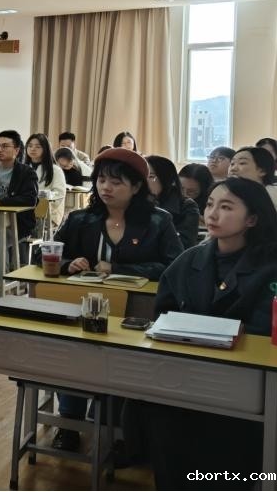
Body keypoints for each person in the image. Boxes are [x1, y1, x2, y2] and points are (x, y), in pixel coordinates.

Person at [137, 178, 277, 488]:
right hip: (185, 376)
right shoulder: (190, 259)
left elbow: (264, 331)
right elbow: (163, 313)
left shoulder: (271, 265)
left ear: (252, 219)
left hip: (244, 381)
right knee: (158, 415)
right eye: (210, 204)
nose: (212, 214)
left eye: (226, 207)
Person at [48, 147, 185, 452]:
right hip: (82, 307)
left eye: (116, 182)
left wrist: (119, 268)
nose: (106, 188)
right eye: (101, 181)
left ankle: (114, 425)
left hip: (136, 313)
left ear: (136, 187)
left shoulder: (158, 221)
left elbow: (174, 267)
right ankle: (69, 421)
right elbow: (47, 254)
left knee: (121, 361)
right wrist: (69, 263)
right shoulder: (81, 218)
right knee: (73, 353)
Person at [0, 130, 39, 280]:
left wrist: (1, 202)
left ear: (16, 150)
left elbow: (30, 199)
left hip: (17, 224)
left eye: (5, 146)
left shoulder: (27, 173)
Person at [147, 155, 201, 250]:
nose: (144, 180)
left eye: (151, 176)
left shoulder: (187, 206)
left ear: (166, 178)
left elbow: (184, 245)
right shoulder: (132, 201)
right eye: (141, 175)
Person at [25, 133, 67, 231]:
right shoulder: (22, 168)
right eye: (30, 146)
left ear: (45, 149)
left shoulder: (55, 170)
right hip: (25, 212)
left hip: (48, 215)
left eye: (38, 147)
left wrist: (42, 195)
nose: (33, 149)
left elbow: (60, 194)